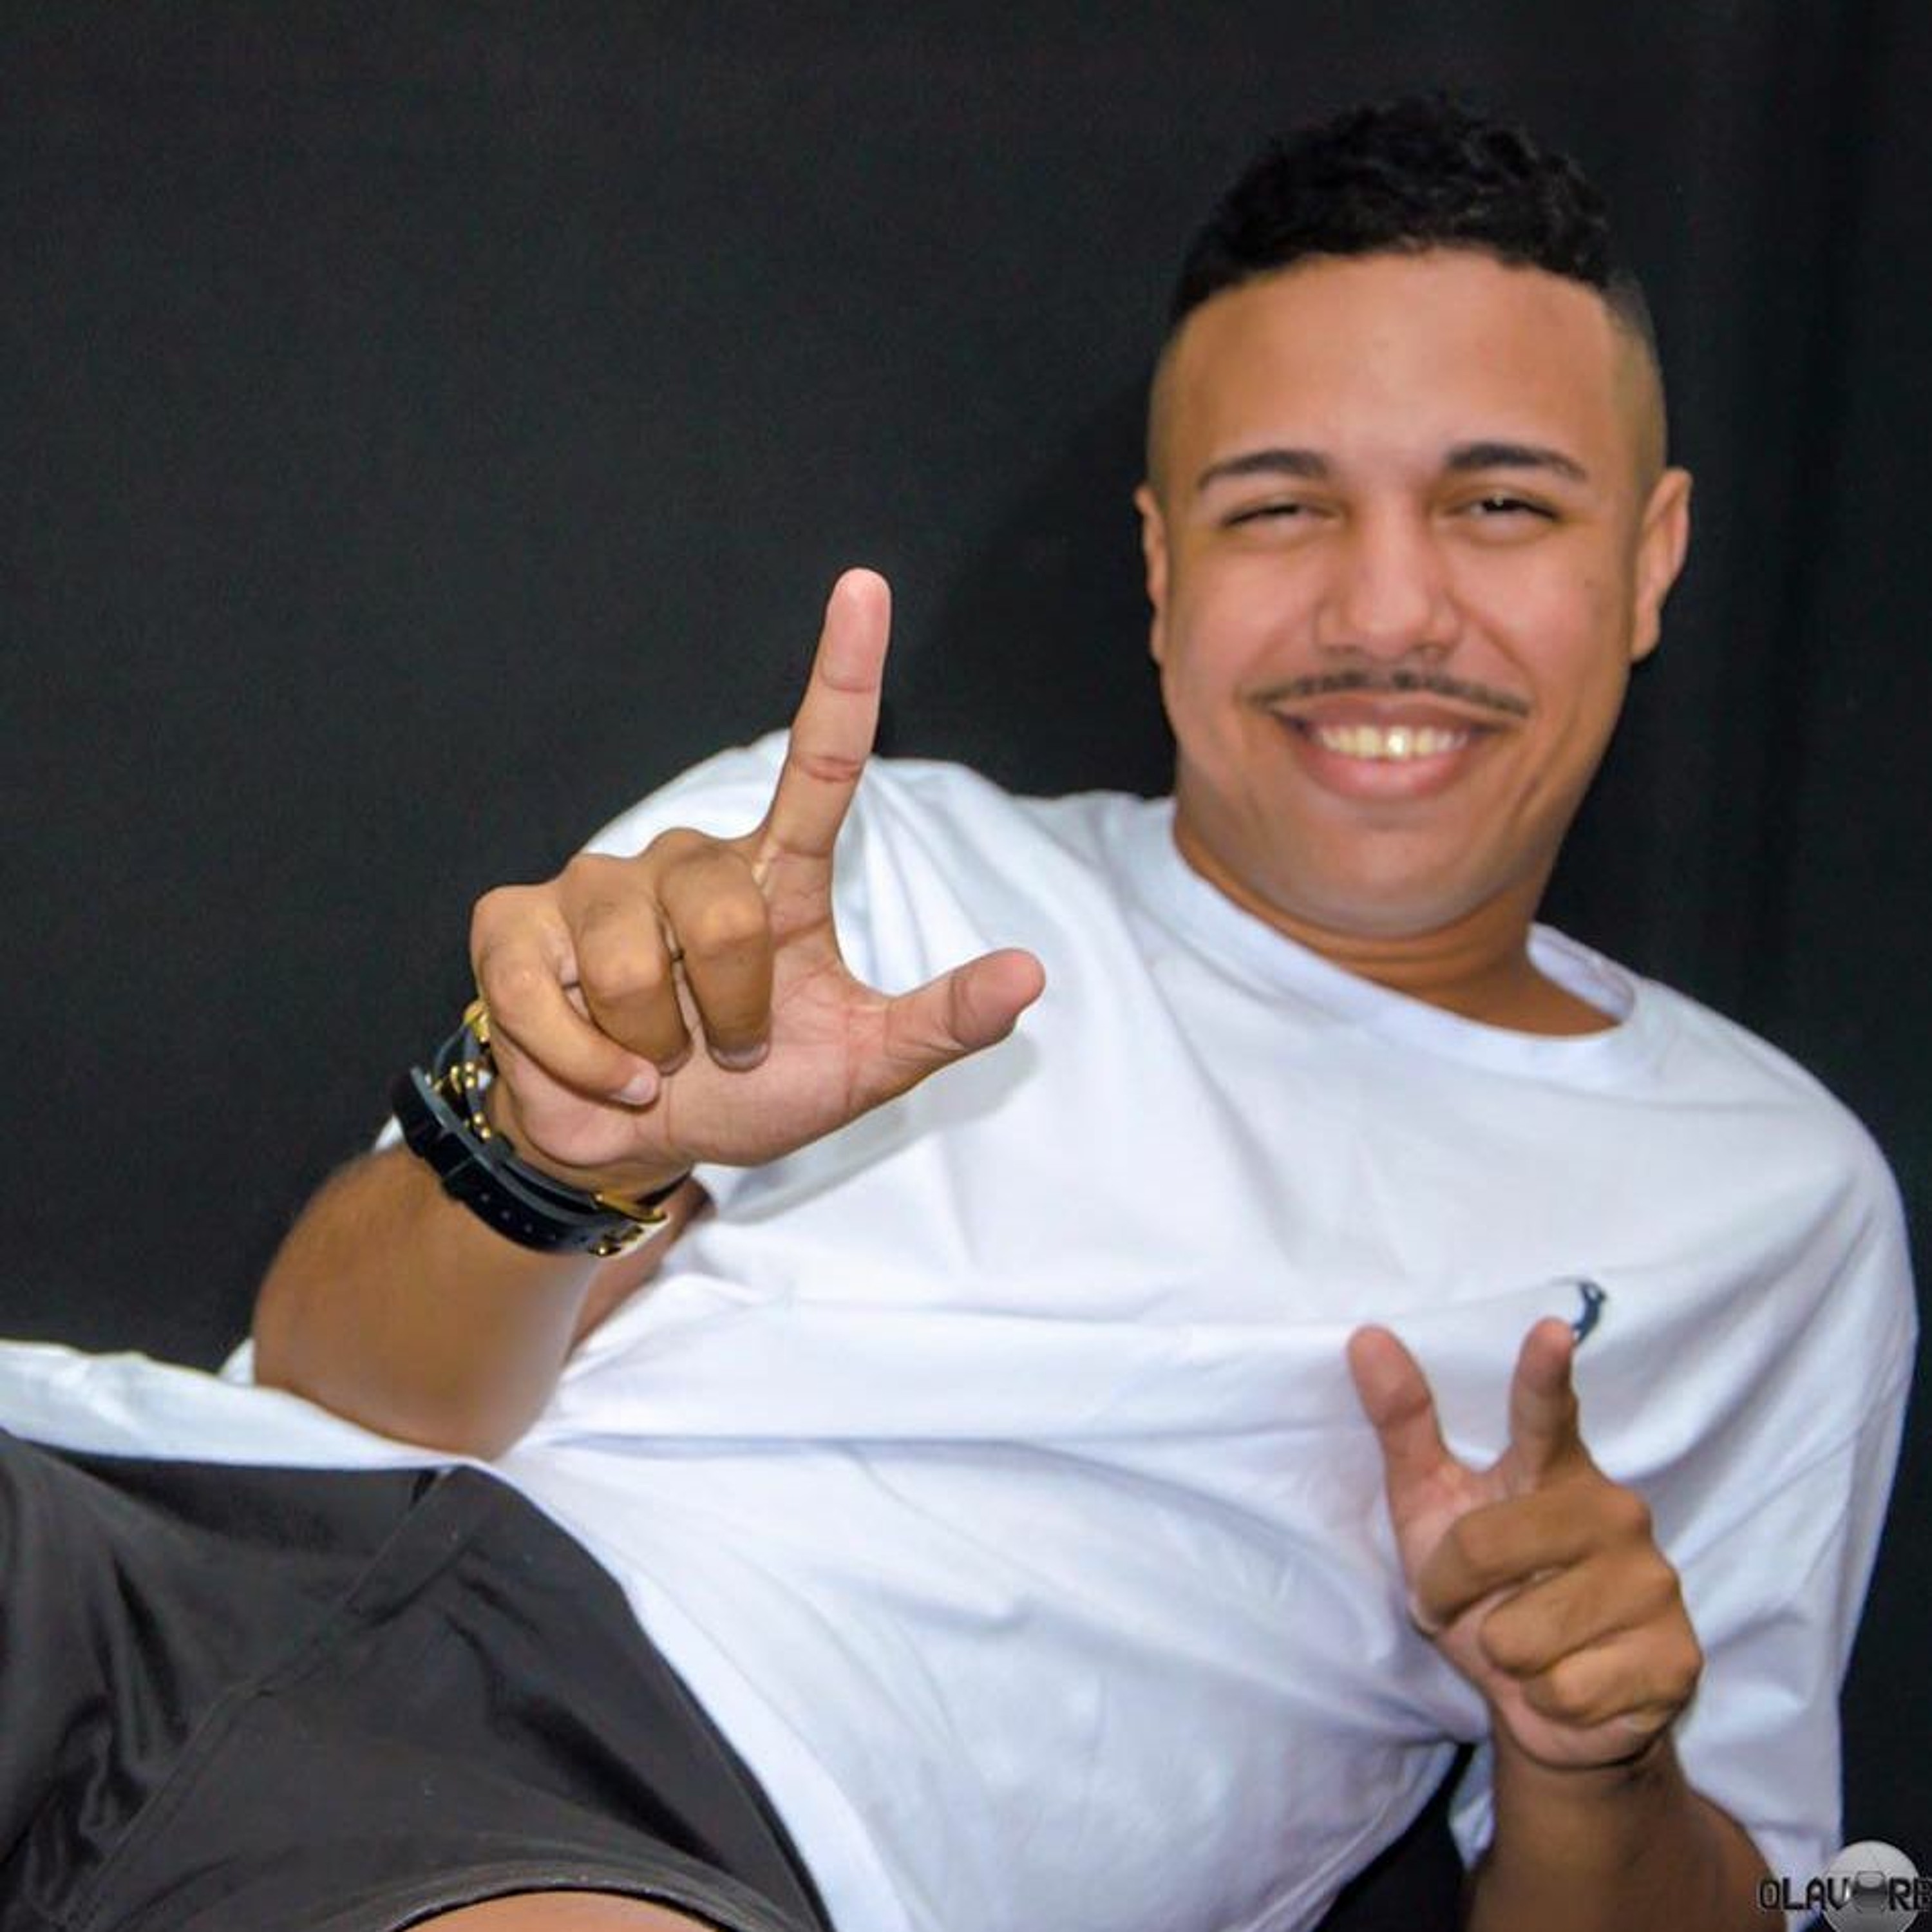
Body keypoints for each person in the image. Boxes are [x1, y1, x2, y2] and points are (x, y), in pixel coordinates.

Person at [0, 97, 1913, 1932]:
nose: (1388, 608)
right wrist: (546, 1160)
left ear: (1650, 557)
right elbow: (327, 1392)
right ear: (1162, 570)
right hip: (163, 1538)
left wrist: (1595, 1762)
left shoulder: (1765, 1202)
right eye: (1280, 508)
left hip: (690, 1823)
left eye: (1499, 503)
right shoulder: (848, 860)